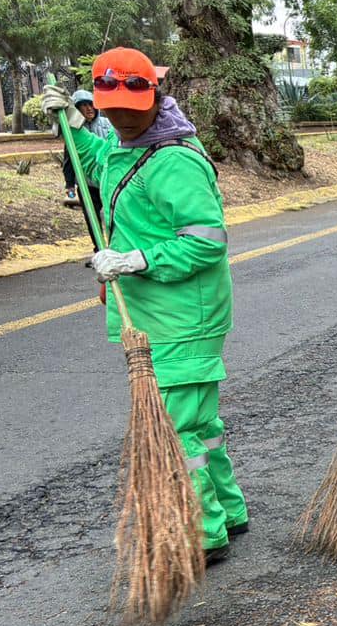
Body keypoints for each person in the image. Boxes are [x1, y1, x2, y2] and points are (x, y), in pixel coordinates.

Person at [40, 48, 248, 565]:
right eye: (109, 110)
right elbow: (101, 163)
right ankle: (229, 511)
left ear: (154, 96)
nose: (120, 119)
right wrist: (72, 125)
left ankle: (203, 535)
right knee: (199, 425)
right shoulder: (126, 144)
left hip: (183, 315)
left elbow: (207, 241)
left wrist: (135, 259)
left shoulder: (173, 159)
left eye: (129, 109)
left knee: (177, 432)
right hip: (159, 311)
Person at [60, 89, 111, 226]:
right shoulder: (73, 132)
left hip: (108, 183)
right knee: (92, 220)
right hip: (87, 185)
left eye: (91, 104)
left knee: (112, 218)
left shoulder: (107, 124)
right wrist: (70, 185)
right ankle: (97, 247)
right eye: (83, 105)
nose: (89, 108)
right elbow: (69, 160)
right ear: (76, 109)